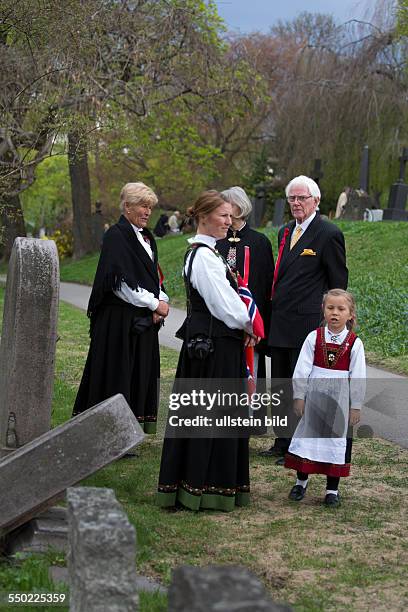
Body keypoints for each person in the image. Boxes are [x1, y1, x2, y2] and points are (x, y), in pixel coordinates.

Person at [157, 190, 258, 511]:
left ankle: (205, 485)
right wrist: (249, 324)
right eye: (224, 216)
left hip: (212, 346)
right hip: (214, 350)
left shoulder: (208, 254)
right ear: (203, 217)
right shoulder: (202, 256)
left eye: (231, 216)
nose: (229, 222)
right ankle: (202, 487)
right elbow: (224, 305)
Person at [259, 175, 348, 462]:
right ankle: (282, 441)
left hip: (307, 324)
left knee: (303, 387)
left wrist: (332, 322)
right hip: (281, 321)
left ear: (316, 201)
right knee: (282, 384)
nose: (296, 203)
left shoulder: (327, 232)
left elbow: (337, 282)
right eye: (292, 199)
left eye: (302, 198)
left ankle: (300, 446)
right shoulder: (286, 231)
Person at [72, 182, 169, 434]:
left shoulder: (147, 238)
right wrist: (154, 304)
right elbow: (119, 283)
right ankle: (110, 430)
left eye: (150, 207)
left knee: (138, 374)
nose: (147, 212)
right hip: (118, 321)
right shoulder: (117, 235)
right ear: (127, 206)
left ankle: (129, 430)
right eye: (142, 206)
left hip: (141, 321)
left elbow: (153, 278)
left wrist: (162, 301)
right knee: (118, 375)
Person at [285, 289, 366, 507]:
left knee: (336, 444)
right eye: (330, 308)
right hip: (314, 399)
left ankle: (332, 490)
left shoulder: (354, 343)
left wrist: (355, 405)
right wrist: (299, 396)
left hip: (340, 402)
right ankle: (301, 482)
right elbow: (302, 369)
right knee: (307, 441)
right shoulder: (314, 337)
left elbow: (358, 376)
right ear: (323, 310)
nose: (335, 313)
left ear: (350, 314)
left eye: (341, 309)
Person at [216, 186, 274, 380]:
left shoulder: (259, 242)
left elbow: (266, 286)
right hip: (222, 320)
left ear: (239, 207)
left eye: (227, 205)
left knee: (250, 375)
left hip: (251, 317)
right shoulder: (217, 241)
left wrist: (258, 324)